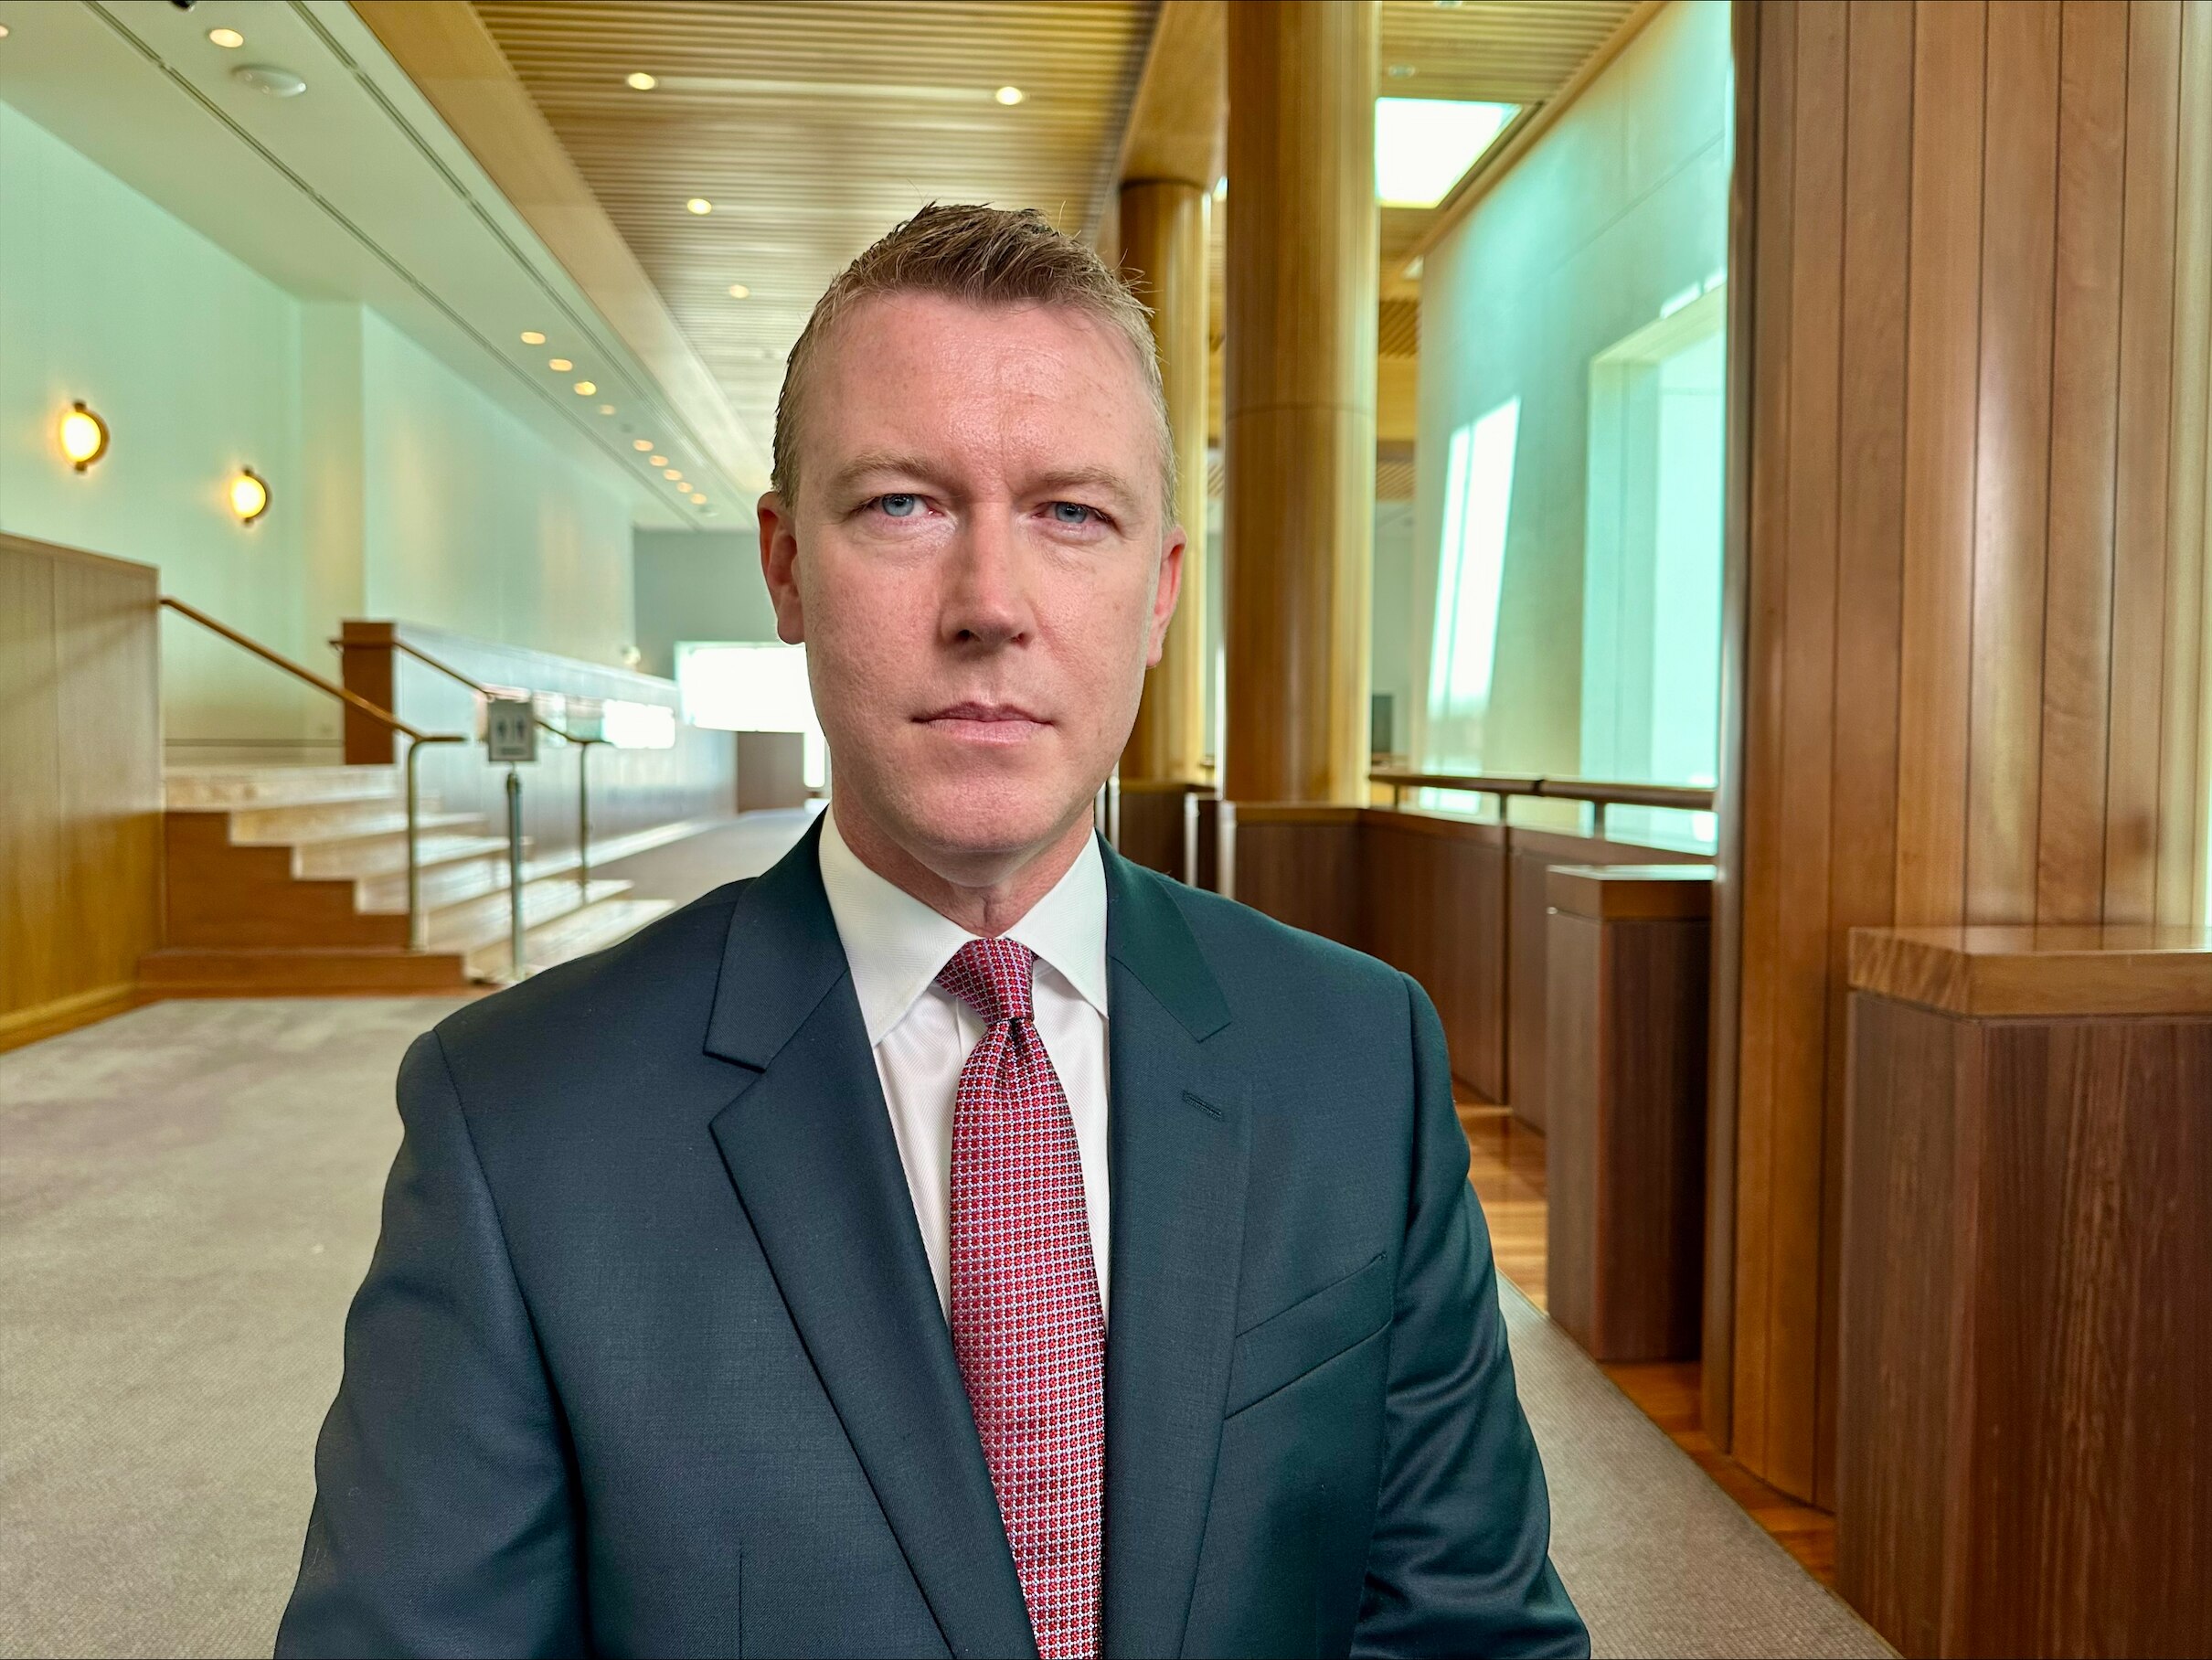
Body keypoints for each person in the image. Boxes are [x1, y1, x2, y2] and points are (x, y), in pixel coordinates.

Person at [277, 203, 1587, 1660]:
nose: (991, 605)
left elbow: (1472, 1629)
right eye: (902, 504)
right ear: (785, 567)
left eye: (1071, 514)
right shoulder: (517, 1120)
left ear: (1159, 595)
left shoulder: (1359, 1055)